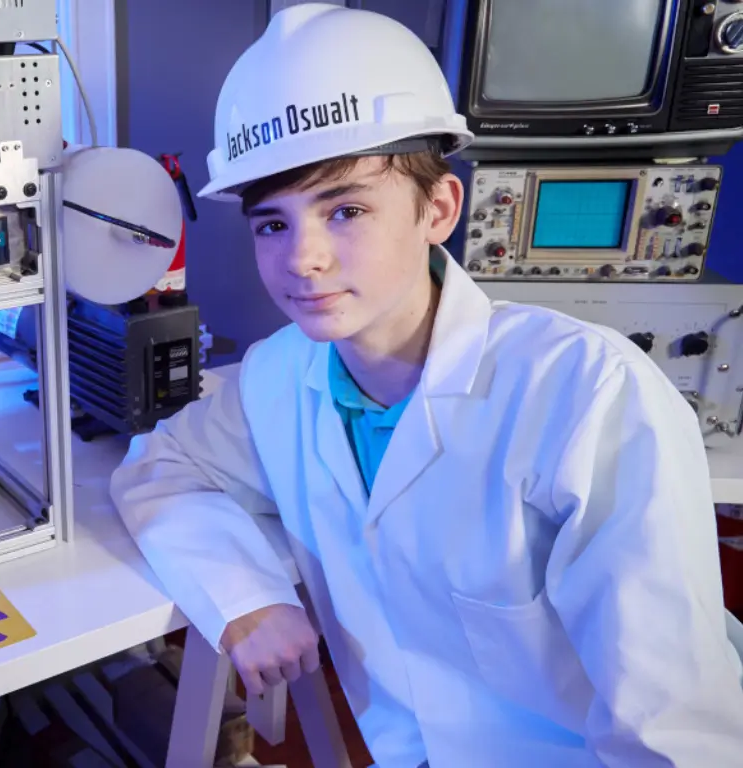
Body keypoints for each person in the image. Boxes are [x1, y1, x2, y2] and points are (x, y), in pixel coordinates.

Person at [109, 4, 743, 766]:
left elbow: (671, 732)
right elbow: (158, 471)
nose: (302, 259)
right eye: (272, 224)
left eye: (346, 210)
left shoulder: (591, 397)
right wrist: (245, 595)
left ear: (438, 208)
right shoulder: (281, 376)